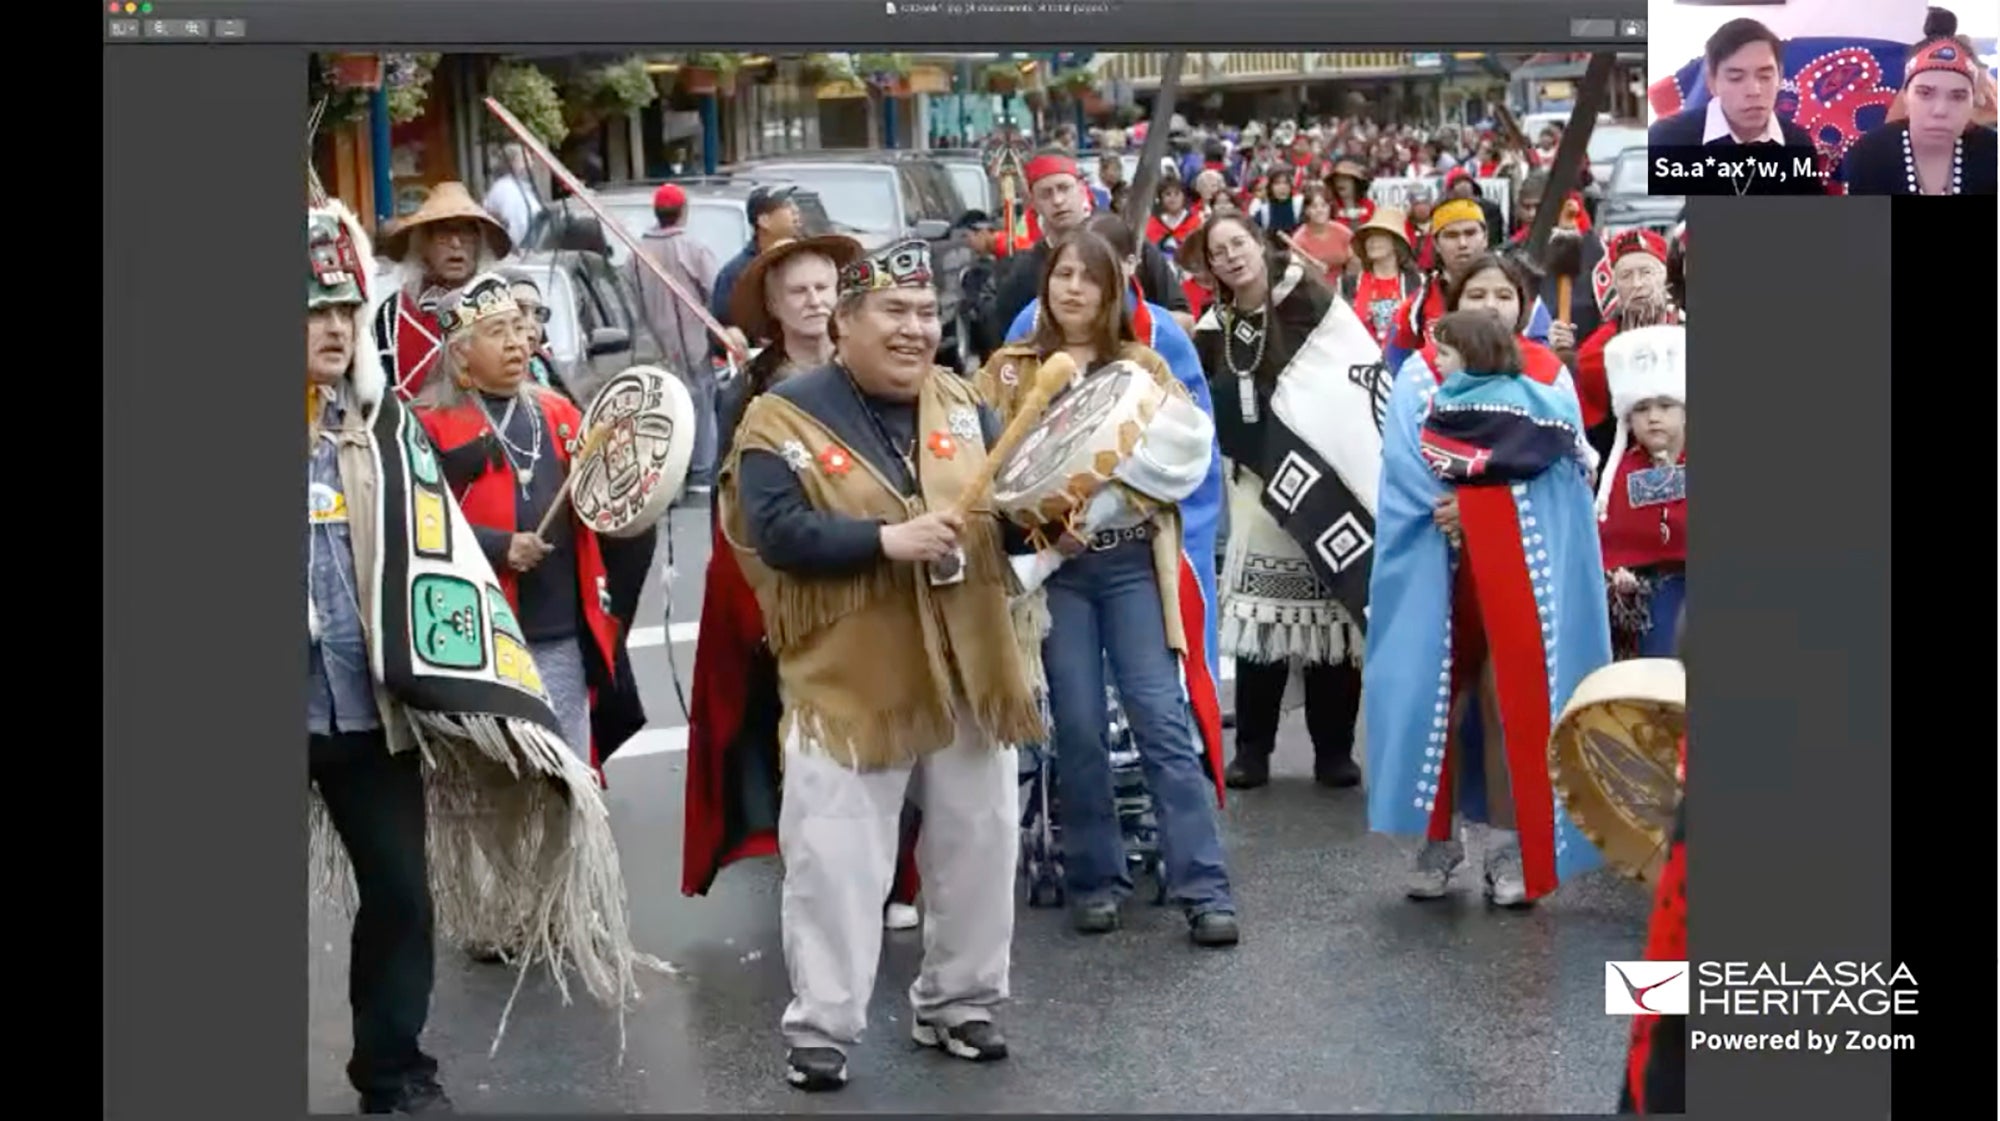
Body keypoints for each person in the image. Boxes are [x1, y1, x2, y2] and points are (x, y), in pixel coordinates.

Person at [307, 201, 647, 1114]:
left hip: (371, 709)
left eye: (345, 308)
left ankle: (392, 1068)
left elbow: (439, 559)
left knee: (403, 897)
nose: (336, 328)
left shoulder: (385, 435)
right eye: (313, 311)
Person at [720, 239, 1044, 1091]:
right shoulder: (781, 417)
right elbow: (775, 532)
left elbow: (1000, 517)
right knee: (834, 860)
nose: (915, 329)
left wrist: (1044, 524)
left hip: (971, 661)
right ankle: (821, 1026)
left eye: (927, 312)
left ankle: (961, 1001)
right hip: (850, 676)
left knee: (981, 842)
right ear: (845, 323)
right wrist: (882, 541)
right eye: (893, 313)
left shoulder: (961, 402)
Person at [983, 228, 1234, 943]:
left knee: (1160, 719)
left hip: (1130, 564)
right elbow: (992, 477)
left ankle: (1204, 886)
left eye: (1089, 278)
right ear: (1046, 284)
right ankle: (1094, 876)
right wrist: (1043, 540)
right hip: (1058, 574)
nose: (1073, 288)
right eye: (1062, 273)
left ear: (1112, 289)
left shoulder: (1145, 366)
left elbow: (1186, 457)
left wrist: (1119, 496)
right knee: (1080, 726)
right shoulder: (1008, 372)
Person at [684, 231, 926, 929]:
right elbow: (739, 508)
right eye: (799, 291)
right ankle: (826, 872)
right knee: (807, 736)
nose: (815, 301)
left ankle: (895, 874)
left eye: (825, 287)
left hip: (876, 570)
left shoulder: (873, 373)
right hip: (790, 584)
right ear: (775, 307)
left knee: (890, 723)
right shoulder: (752, 391)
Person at [1364, 267, 1613, 907]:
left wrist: (1480, 512)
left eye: (1505, 296)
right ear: (1455, 305)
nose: (1492, 306)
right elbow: (1404, 464)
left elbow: (1565, 471)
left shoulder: (1548, 377)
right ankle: (1437, 840)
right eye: (1478, 295)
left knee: (1512, 702)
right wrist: (1454, 513)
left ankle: (1509, 848)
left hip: (1520, 564)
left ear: (1522, 308)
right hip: (1437, 563)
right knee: (1442, 698)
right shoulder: (1420, 372)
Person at [410, 273, 643, 779]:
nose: (518, 341)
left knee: (566, 778)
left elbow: (605, 497)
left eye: (520, 326)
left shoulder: (558, 412)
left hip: (557, 627)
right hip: (475, 640)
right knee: (494, 783)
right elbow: (411, 524)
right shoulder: (425, 425)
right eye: (498, 332)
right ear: (461, 354)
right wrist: (497, 546)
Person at [1182, 213, 1385, 791]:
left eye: (1237, 243)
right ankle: (1252, 748)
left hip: (1325, 483)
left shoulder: (1311, 305)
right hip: (1254, 486)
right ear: (1210, 267)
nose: (1229, 257)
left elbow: (1354, 375)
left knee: (1330, 615)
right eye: (1217, 252)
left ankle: (1333, 748)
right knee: (1260, 622)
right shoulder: (1210, 328)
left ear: (1258, 244)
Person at [983, 150, 1189, 345]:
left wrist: (1136, 333)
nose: (1058, 200)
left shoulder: (1127, 247)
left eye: (1064, 188)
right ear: (1033, 202)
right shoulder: (1024, 273)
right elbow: (1005, 349)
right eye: (1046, 194)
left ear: (1082, 189)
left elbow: (1185, 320)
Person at [372, 182, 512, 402]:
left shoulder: (506, 303)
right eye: (443, 235)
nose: (456, 244)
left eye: (466, 235)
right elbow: (376, 396)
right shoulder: (393, 314)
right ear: (423, 245)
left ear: (479, 244)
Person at [629, 182, 727, 494]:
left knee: (666, 410)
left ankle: (674, 475)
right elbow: (717, 290)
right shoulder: (693, 248)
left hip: (654, 346)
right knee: (699, 404)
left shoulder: (637, 253)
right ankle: (700, 472)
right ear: (683, 212)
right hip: (692, 345)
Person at [1597, 325, 1687, 660]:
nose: (1653, 418)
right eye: (1642, 408)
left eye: (1665, 406)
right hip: (1648, 598)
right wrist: (1617, 575)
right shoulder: (1618, 473)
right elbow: (1612, 539)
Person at [1835, 34, 1998, 195]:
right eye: (1925, 93)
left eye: (1958, 96)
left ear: (1973, 103)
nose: (1940, 110)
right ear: (1905, 97)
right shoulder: (1869, 155)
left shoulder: (1993, 155)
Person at [1573, 230, 1681, 464]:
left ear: (1666, 277)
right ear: (1615, 286)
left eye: (1646, 272)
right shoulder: (1597, 350)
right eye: (1626, 276)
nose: (1637, 284)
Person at [1646, 19, 1818, 155]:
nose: (1754, 91)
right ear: (1712, 83)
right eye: (1736, 78)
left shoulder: (1797, 143)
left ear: (1780, 77)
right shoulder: (1665, 140)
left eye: (1765, 76)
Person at [711, 184, 802, 328]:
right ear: (764, 221)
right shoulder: (736, 273)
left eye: (794, 205)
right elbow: (722, 328)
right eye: (786, 205)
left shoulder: (806, 260)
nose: (795, 210)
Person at [1339, 207, 1421, 351]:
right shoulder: (1347, 285)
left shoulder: (1417, 283)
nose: (1372, 241)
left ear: (1396, 243)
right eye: (1369, 237)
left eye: (1380, 235)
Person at [481, 143, 546, 251]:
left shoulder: (516, 186)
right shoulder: (506, 189)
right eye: (525, 161)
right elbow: (516, 225)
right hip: (523, 250)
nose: (531, 165)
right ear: (513, 163)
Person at [1289, 183, 1353, 282]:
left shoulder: (1344, 233)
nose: (1319, 210)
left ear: (1329, 208)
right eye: (1314, 207)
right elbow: (1296, 273)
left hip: (1344, 287)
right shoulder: (1299, 240)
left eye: (1323, 205)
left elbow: (1355, 263)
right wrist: (1311, 270)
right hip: (1313, 289)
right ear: (1306, 210)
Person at [1144, 174, 1204, 260]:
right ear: (1161, 198)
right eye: (1168, 194)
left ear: (1183, 196)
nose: (1173, 198)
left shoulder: (1195, 222)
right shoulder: (1152, 224)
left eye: (1177, 193)